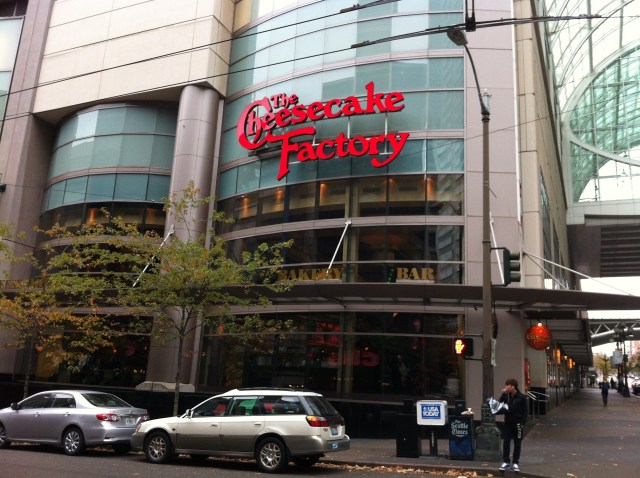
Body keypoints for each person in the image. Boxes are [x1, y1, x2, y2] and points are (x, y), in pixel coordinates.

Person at [498, 378, 528, 473]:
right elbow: (499, 404)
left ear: (513, 386)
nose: (506, 387)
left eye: (507, 385)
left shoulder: (522, 397)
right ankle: (506, 461)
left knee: (517, 443)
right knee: (506, 441)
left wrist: (522, 424)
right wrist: (503, 394)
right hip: (508, 423)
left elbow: (525, 411)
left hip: (518, 423)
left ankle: (515, 462)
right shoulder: (507, 396)